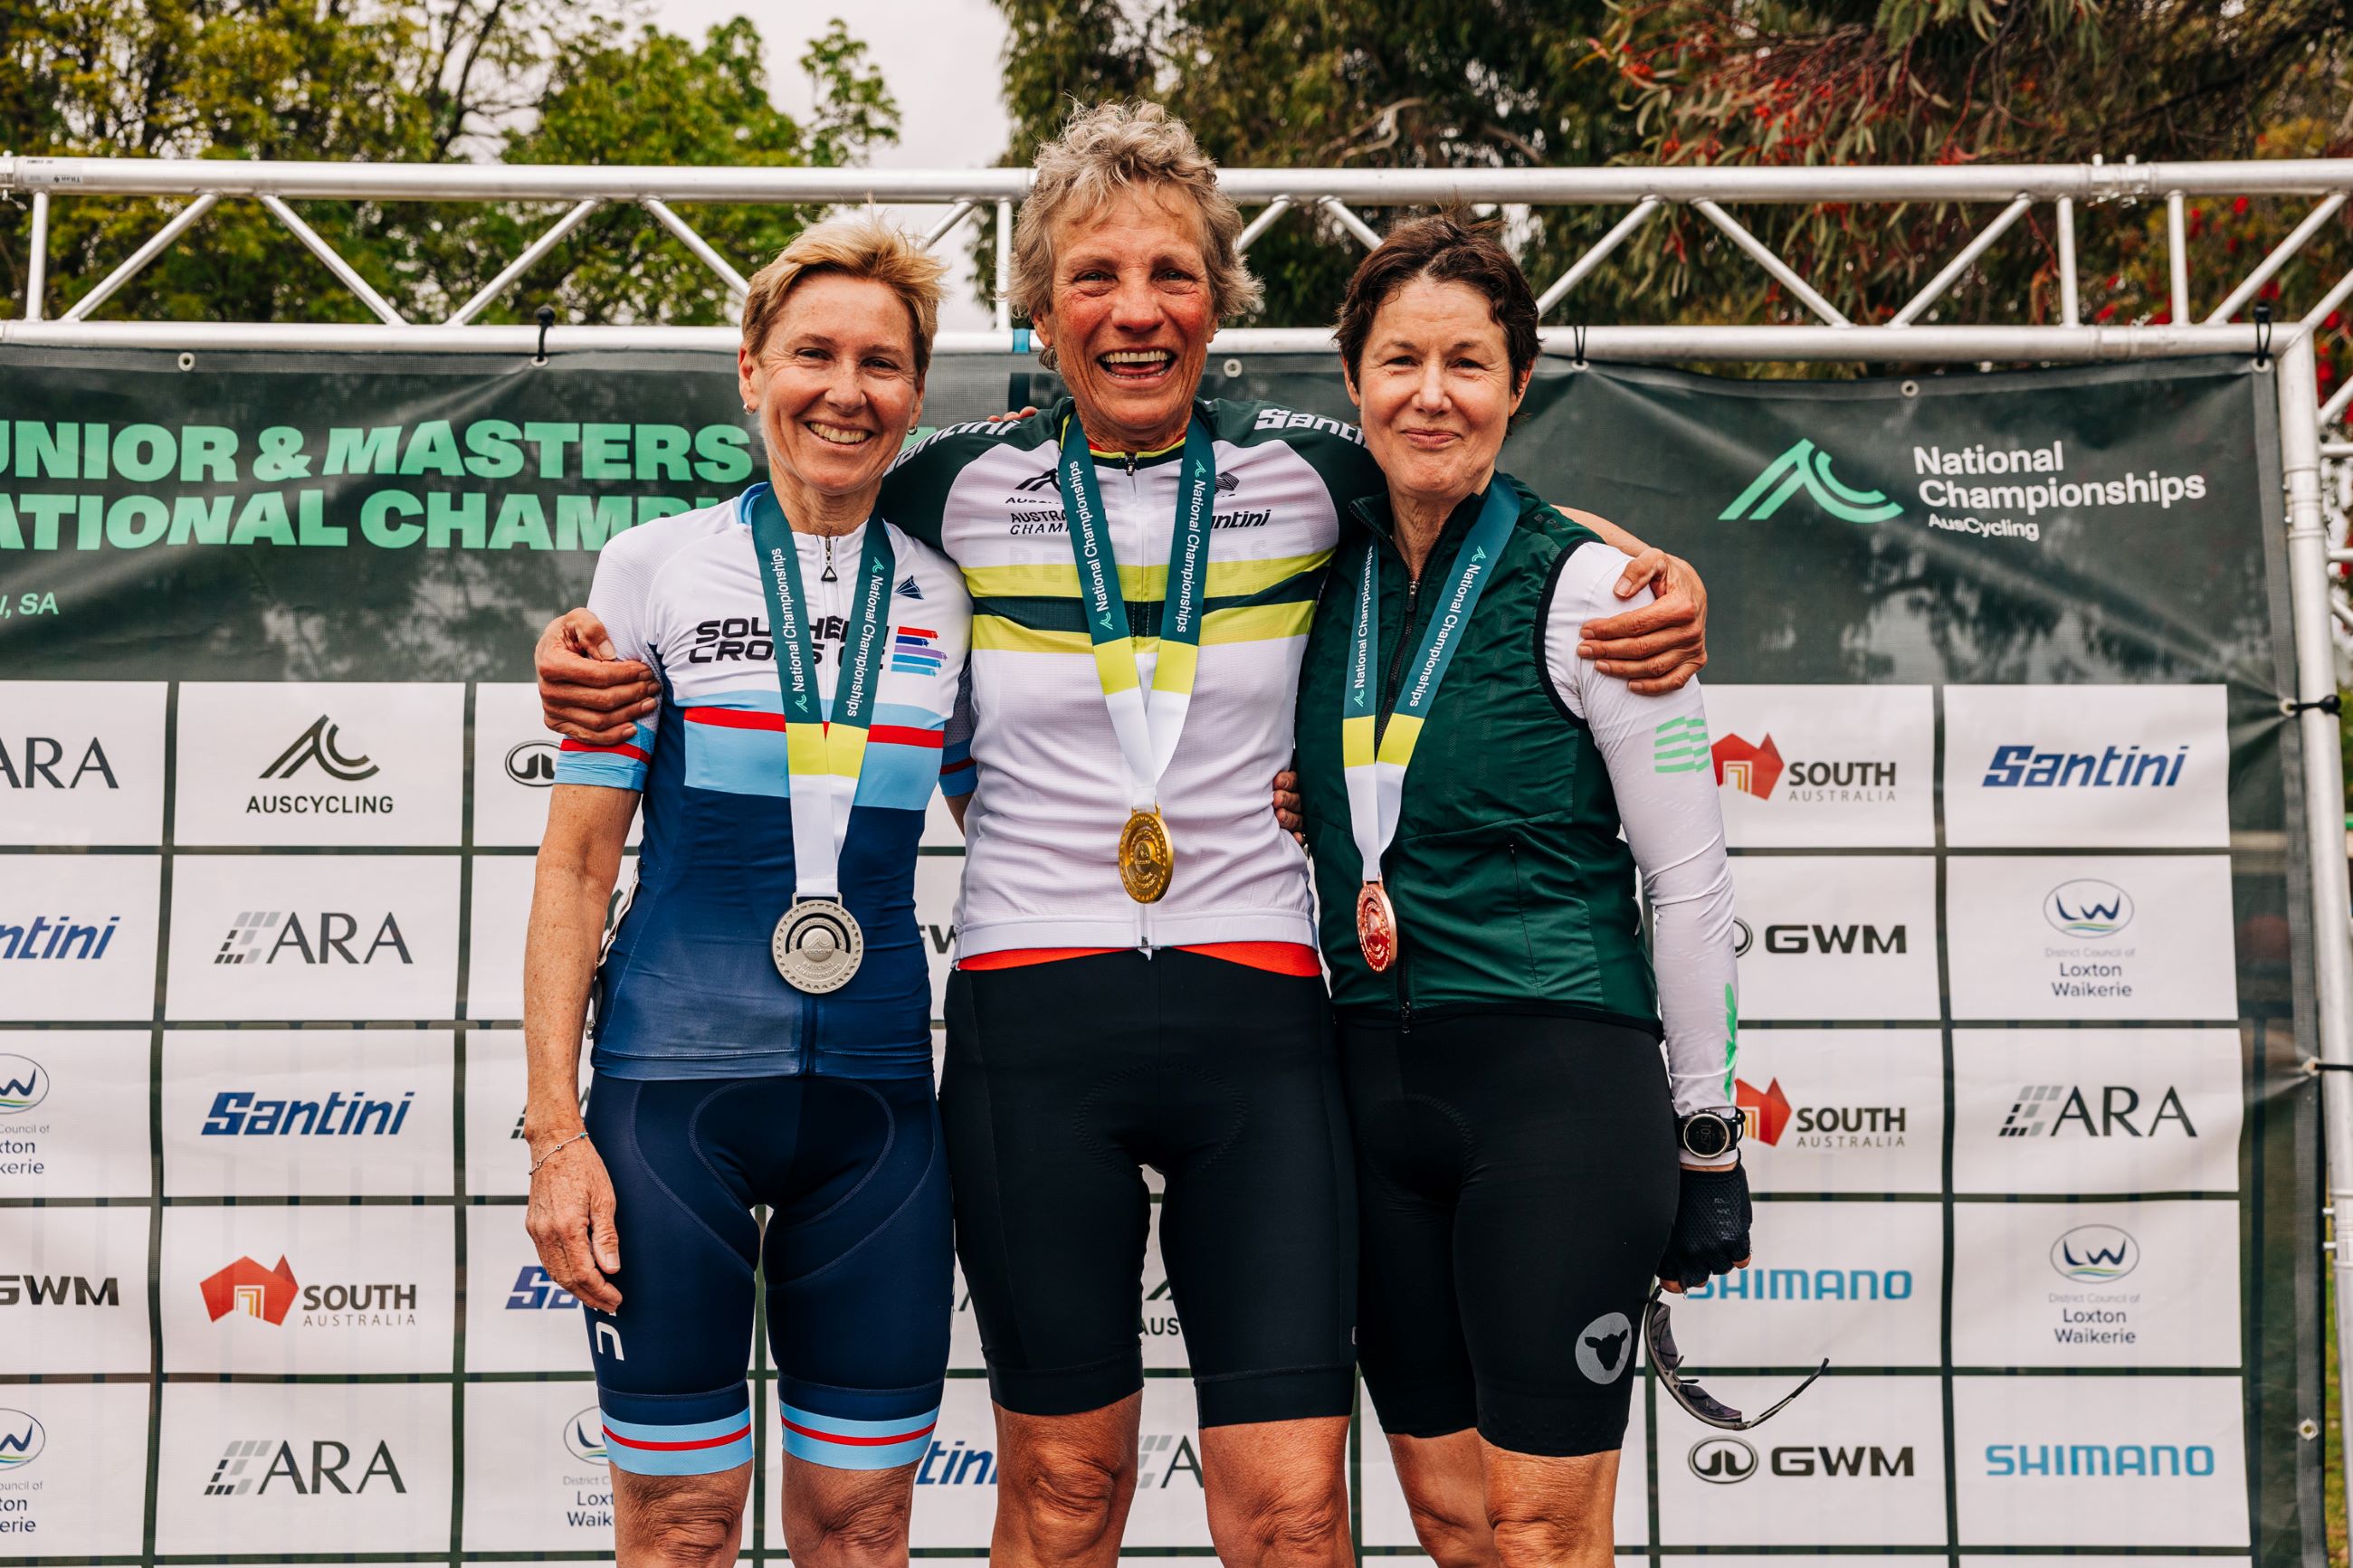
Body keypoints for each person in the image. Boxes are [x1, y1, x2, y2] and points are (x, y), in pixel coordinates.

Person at [534, 102, 1710, 1568]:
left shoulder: (1311, 472)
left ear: (1220, 301)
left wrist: (1644, 575)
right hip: (1035, 1021)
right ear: (1041, 306)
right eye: (1094, 274)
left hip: (1263, 1026)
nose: (1136, 310)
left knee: (1284, 1510)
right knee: (1067, 1496)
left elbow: (1465, 478)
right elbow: (785, 509)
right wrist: (578, 642)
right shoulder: (942, 483)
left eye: (1172, 274)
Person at [1284, 213, 1746, 1568]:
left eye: (1469, 363)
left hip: (1557, 1088)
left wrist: (1708, 1135)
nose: (1434, 394)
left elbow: (1691, 877)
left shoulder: (1602, 588)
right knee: (1451, 1520)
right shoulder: (1321, 576)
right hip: (1368, 1085)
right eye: (1401, 361)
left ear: (1517, 386)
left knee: (1546, 1527)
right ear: (1355, 384)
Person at [520, 217, 972, 1568]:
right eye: (813, 354)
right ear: (750, 371)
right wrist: (555, 1130)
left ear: (914, 391)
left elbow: (1026, 809)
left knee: (863, 1525)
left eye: (882, 363)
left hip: (881, 1115)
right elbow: (578, 860)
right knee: (680, 1524)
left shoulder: (956, 591)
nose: (847, 389)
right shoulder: (650, 568)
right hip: (671, 1105)